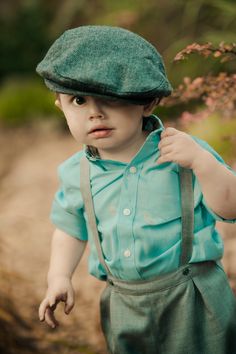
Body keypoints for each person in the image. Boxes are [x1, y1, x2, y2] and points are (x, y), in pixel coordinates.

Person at [36, 25, 236, 354]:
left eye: (110, 99)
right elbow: (71, 229)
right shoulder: (75, 173)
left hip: (193, 296)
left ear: (147, 102)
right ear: (60, 106)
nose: (95, 112)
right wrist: (59, 276)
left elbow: (231, 208)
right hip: (124, 302)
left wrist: (203, 163)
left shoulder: (183, 153)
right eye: (78, 100)